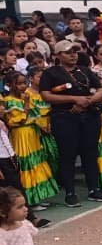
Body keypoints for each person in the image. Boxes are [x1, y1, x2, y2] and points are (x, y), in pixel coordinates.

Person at [39, 40, 102, 206]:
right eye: (68, 52)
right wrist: (73, 99)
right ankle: (70, 193)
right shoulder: (51, 73)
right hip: (65, 118)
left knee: (90, 154)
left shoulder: (85, 70)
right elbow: (46, 95)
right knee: (67, 155)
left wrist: (88, 101)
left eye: (75, 52)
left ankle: (94, 189)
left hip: (89, 117)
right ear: (57, 55)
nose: (73, 55)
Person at [2, 72, 59, 210]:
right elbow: (19, 120)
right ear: (9, 85)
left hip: (32, 133)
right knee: (27, 164)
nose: (23, 86)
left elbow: (34, 116)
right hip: (21, 135)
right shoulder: (9, 100)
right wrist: (27, 104)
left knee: (37, 162)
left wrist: (42, 126)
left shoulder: (24, 97)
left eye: (24, 83)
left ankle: (37, 196)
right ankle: (29, 200)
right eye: (19, 83)